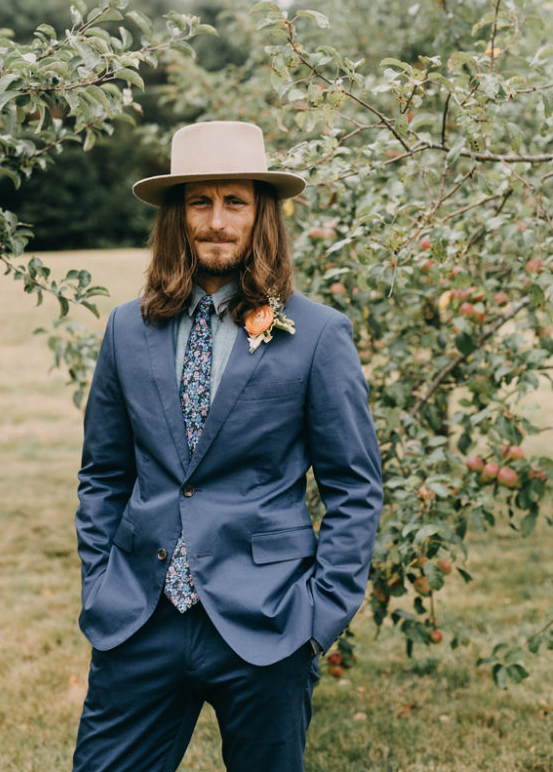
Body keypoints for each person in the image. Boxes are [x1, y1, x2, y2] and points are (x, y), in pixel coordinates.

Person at [73, 120, 383, 772]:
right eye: (199, 201)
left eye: (234, 202)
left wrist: (318, 618)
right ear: (176, 216)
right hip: (139, 618)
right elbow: (103, 472)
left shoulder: (318, 335)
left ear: (260, 215)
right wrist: (100, 583)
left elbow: (353, 488)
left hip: (267, 623)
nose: (216, 221)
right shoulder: (126, 330)